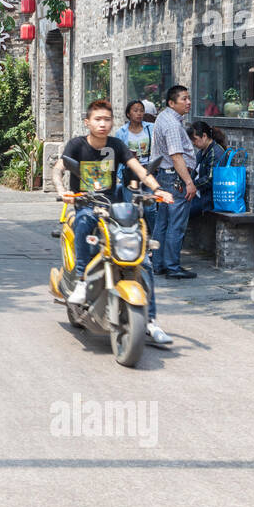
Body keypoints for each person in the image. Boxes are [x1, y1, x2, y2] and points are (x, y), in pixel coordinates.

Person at [52, 98, 172, 347]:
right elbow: (58, 168)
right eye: (97, 119)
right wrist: (62, 189)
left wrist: (157, 189)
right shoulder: (76, 145)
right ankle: (84, 282)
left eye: (107, 119)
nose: (102, 124)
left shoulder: (117, 145)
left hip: (113, 209)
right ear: (88, 122)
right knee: (84, 220)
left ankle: (149, 322)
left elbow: (137, 169)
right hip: (86, 205)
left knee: (145, 261)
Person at [148, 85, 198, 279]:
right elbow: (176, 156)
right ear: (171, 102)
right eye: (184, 99)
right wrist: (189, 182)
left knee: (163, 223)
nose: (188, 102)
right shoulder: (172, 124)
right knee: (175, 225)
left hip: (165, 176)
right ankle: (172, 266)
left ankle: (158, 263)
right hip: (176, 178)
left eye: (188, 98)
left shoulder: (163, 117)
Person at [113, 101, 153, 202]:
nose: (139, 113)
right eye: (135, 111)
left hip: (147, 171)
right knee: (131, 204)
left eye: (141, 111)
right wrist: (120, 175)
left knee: (150, 207)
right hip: (129, 173)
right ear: (128, 114)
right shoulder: (121, 132)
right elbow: (117, 155)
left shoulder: (150, 128)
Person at [187, 121, 228, 219]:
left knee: (180, 212)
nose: (193, 143)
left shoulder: (215, 152)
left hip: (207, 199)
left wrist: (192, 184)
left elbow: (210, 179)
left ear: (204, 136)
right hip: (197, 194)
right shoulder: (202, 152)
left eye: (194, 139)